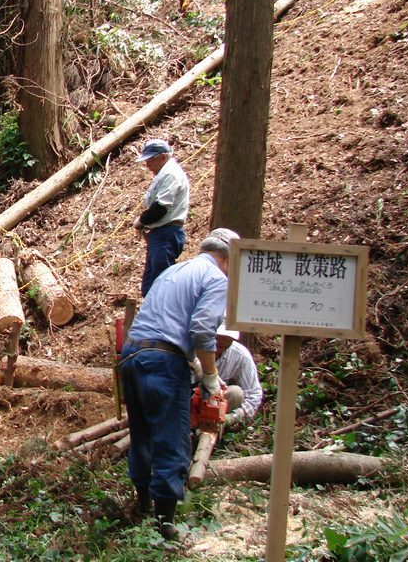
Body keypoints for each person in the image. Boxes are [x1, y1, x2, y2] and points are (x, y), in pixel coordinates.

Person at [118, 227, 239, 540]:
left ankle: (142, 504)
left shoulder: (174, 271)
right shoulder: (216, 279)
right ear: (227, 259)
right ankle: (165, 529)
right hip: (163, 362)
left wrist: (196, 367)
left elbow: (168, 324)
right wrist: (211, 378)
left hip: (132, 356)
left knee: (142, 434)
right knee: (172, 439)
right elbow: (201, 330)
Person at [133, 139, 190, 297]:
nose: (148, 165)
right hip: (159, 234)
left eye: (151, 160)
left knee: (161, 283)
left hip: (167, 233)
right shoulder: (164, 174)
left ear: (163, 156)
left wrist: (142, 220)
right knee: (149, 286)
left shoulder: (171, 174)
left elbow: (161, 207)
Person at [214, 325, 263, 426]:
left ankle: (216, 426)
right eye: (218, 335)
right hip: (186, 398)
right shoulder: (191, 347)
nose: (222, 340)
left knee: (235, 393)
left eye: (227, 337)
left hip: (216, 400)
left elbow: (254, 394)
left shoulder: (240, 355)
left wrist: (233, 417)